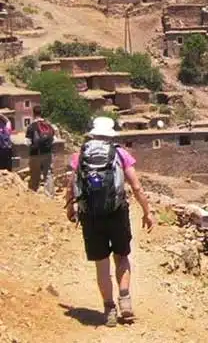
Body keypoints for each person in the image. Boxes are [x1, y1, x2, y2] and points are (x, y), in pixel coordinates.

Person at [65, 117, 153, 327]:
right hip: (116, 212)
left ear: (93, 134)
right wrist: (147, 211)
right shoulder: (120, 154)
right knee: (122, 256)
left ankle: (109, 310)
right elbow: (136, 186)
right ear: (111, 135)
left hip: (91, 216)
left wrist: (70, 209)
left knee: (101, 264)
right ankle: (125, 301)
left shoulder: (80, 156)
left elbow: (70, 187)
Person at [25, 105, 55, 196]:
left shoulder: (31, 127)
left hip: (35, 154)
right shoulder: (49, 125)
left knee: (35, 175)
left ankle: (32, 195)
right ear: (41, 113)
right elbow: (54, 139)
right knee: (48, 174)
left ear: (33, 113)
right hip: (48, 153)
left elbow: (27, 142)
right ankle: (50, 196)